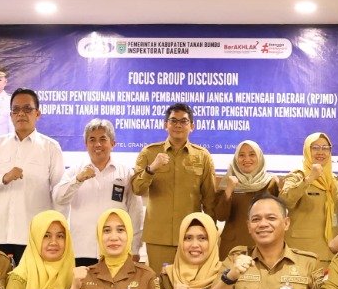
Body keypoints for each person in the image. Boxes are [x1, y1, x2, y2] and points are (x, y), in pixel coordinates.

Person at [0, 88, 64, 264]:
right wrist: (3, 178)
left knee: (33, 281)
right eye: (16, 110)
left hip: (34, 235)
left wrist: (56, 233)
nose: (21, 114)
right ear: (10, 115)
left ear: (37, 113)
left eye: (27, 109)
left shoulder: (50, 147)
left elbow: (59, 193)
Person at [131, 103, 217, 266]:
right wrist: (151, 169)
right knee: (159, 280)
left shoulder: (203, 156)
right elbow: (136, 188)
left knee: (190, 280)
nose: (178, 125)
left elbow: (210, 199)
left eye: (183, 121)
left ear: (192, 126)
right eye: (173, 121)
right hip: (158, 237)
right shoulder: (149, 153)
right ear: (166, 125)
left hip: (191, 237)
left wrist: (210, 232)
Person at [53, 118, 145, 265]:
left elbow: (136, 213)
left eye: (103, 139)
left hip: (116, 250)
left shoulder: (126, 173)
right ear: (86, 144)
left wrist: (134, 249)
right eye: (92, 140)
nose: (97, 144)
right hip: (81, 249)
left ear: (113, 143)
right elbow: (58, 198)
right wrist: (78, 179)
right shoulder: (75, 172)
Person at [280, 132, 338, 262]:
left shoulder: (335, 180)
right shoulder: (297, 176)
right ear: (307, 151)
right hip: (302, 251)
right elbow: (284, 201)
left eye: (325, 148)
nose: (321, 152)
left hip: (331, 251)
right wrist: (309, 179)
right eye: (315, 148)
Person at [210, 139, 278, 257]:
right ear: (236, 159)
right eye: (241, 155)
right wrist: (229, 190)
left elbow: (277, 216)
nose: (247, 159)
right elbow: (221, 216)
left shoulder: (271, 183)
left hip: (263, 245)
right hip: (232, 247)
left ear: (259, 157)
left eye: (252, 154)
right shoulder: (228, 182)